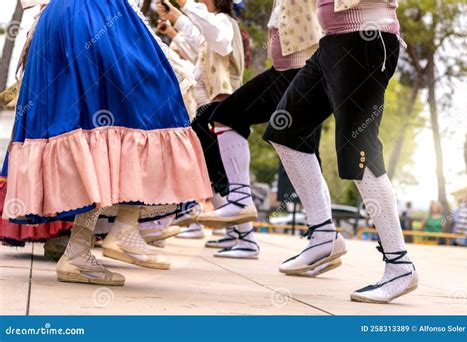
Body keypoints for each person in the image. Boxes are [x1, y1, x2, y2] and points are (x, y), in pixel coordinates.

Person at [3, 0, 212, 286]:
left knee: (90, 124)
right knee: (143, 99)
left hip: (63, 16)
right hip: (94, 13)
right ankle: (105, 237)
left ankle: (91, 243)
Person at [262, 0, 418, 303]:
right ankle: (323, 237)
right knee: (285, 132)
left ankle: (400, 264)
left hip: (366, 37)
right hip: (330, 43)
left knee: (360, 149)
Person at [196, 0, 324, 260]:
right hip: (285, 71)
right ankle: (324, 234)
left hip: (300, 69)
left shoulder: (225, 22)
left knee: (303, 150)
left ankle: (324, 234)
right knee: (304, 152)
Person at [157, 0, 249, 252]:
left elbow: (215, 39)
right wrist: (176, 22)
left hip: (219, 108)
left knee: (203, 163)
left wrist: (184, 9)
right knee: (216, 173)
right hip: (209, 109)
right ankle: (236, 233)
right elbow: (200, 47)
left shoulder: (224, 24)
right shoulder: (216, 25)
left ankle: (191, 209)